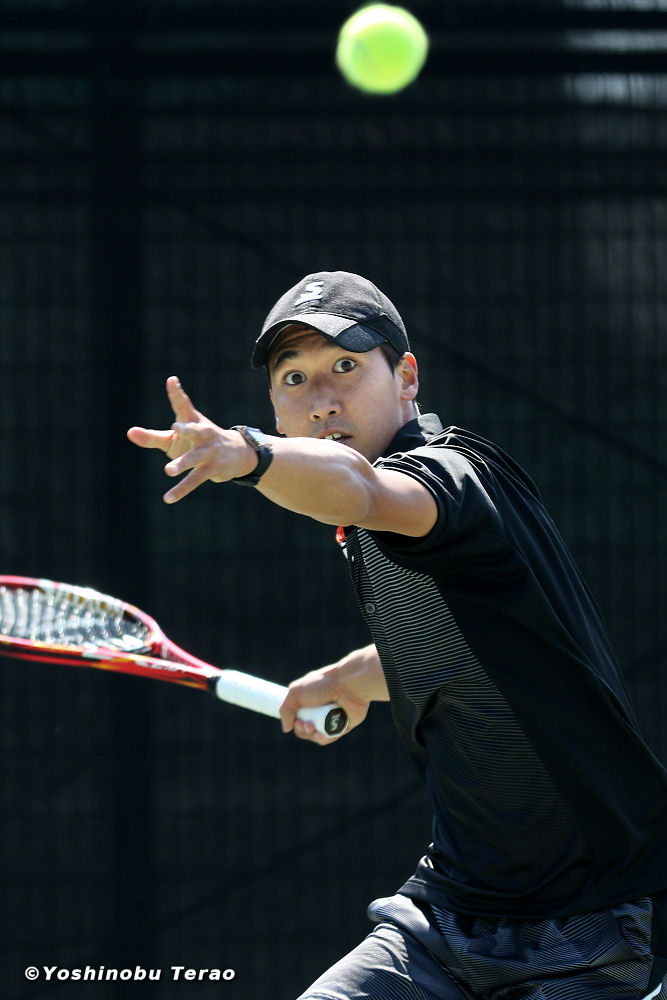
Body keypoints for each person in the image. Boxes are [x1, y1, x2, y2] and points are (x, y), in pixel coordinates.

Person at [128, 270, 667, 1000]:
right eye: (294, 378)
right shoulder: (370, 526)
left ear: (406, 377)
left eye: (346, 366)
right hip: (448, 914)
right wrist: (352, 677)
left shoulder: (452, 478)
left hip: (598, 921)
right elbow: (471, 642)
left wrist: (248, 455)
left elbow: (358, 485)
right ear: (277, 407)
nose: (322, 399)